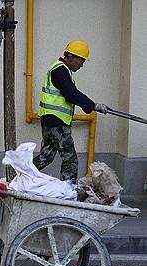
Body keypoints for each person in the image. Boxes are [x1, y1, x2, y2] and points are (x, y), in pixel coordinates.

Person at [32, 40, 108, 183]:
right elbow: (71, 94)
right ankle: (69, 191)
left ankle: (19, 175)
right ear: (72, 57)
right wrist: (93, 105)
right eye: (81, 60)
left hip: (50, 121)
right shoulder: (60, 70)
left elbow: (69, 93)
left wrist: (92, 105)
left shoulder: (59, 69)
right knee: (70, 159)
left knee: (46, 156)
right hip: (57, 122)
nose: (82, 65)